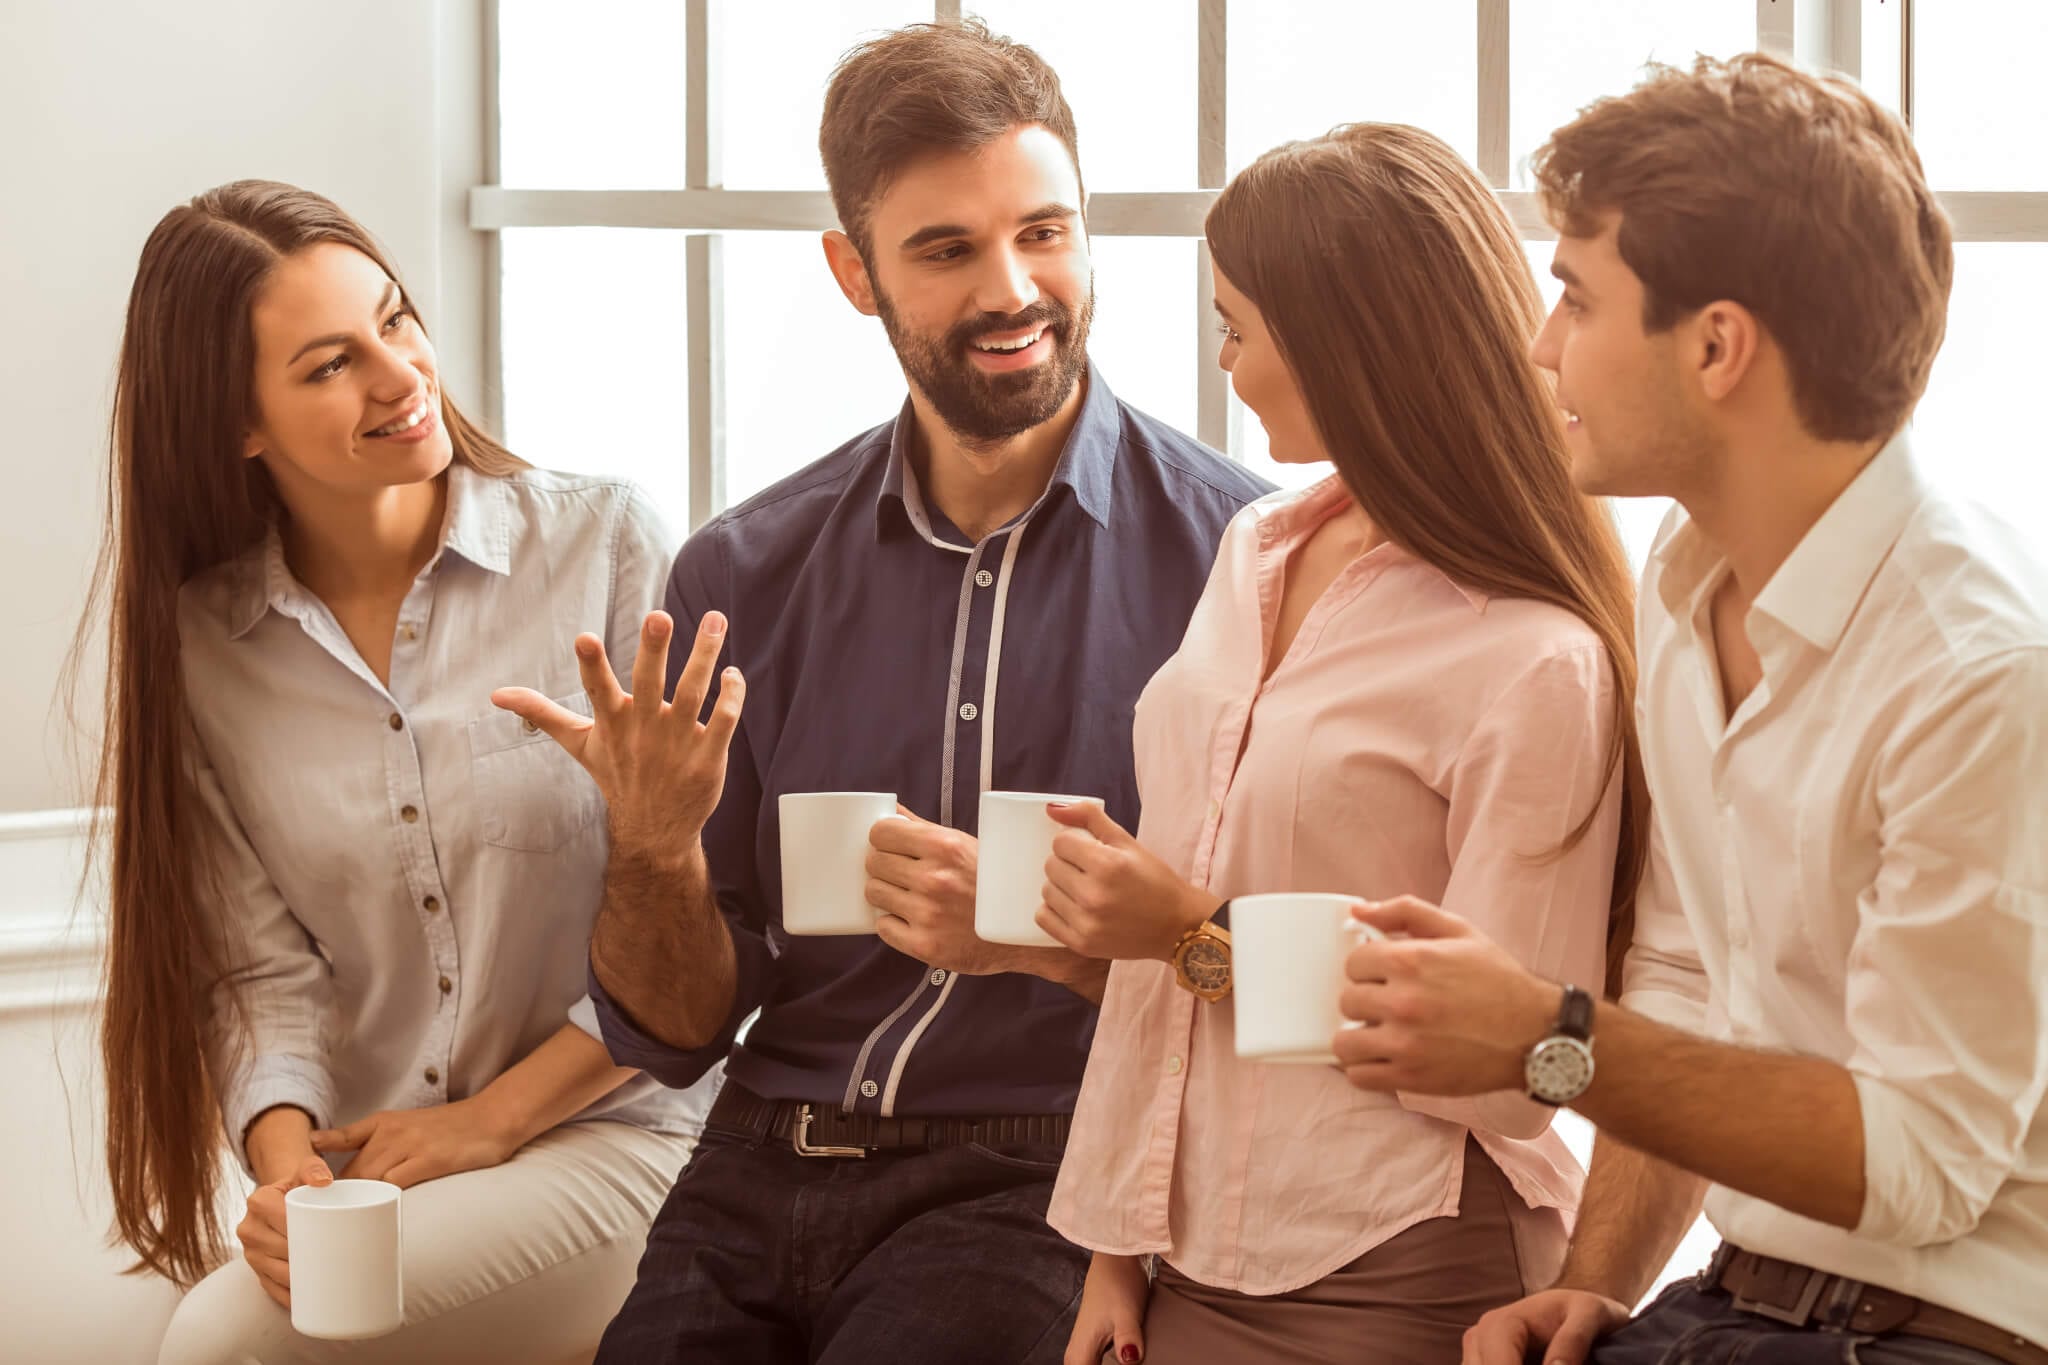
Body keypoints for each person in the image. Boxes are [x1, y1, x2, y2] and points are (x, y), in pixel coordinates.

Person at [494, 20, 1269, 1365]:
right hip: (753, 1158)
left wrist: (1055, 940)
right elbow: (676, 1032)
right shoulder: (746, 567)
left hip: (1035, 1178)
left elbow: (1274, 976)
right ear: (854, 272)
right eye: (947, 248)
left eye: (1045, 231)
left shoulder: (1239, 566)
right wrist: (654, 847)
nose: (1016, 286)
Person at [1322, 56, 2048, 1365]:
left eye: (1575, 297)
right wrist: (1590, 1288)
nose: (1541, 346)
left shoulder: (1982, 665)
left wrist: (1551, 1039)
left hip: (1952, 1326)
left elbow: (1926, 1164)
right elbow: (1685, 990)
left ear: (1717, 345)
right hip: (1740, 1297)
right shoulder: (1682, 579)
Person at [1029, 124, 1648, 1365]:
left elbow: (1503, 1067)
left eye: (1240, 328)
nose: (1226, 361)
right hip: (1181, 1256)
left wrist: (1185, 935)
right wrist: (1112, 1252)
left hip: (1397, 1264)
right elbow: (1177, 906)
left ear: (1342, 347)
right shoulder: (1252, 550)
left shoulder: (1530, 656)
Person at [77, 180, 716, 1365]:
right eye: (328, 365)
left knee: (224, 1344)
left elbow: (707, 904)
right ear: (236, 423)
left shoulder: (603, 543)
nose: (398, 374)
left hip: (622, 1137)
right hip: (381, 1169)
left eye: (397, 319)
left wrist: (489, 1122)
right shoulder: (203, 646)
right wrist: (289, 1179)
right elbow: (258, 969)